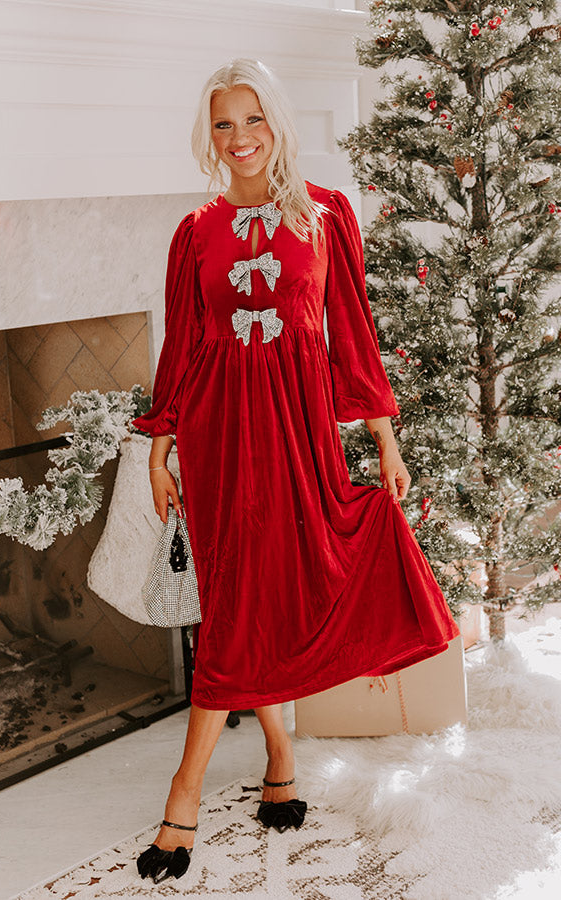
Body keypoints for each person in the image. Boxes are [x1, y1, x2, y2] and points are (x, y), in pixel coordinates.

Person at [131, 57, 460, 883]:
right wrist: (161, 449)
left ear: (277, 124)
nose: (239, 137)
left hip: (298, 431)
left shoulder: (326, 215)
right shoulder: (194, 232)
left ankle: (277, 759)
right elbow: (183, 345)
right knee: (238, 604)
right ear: (209, 135)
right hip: (218, 437)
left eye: (253, 119)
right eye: (223, 123)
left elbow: (352, 329)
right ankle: (187, 795)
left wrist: (385, 439)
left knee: (280, 589)